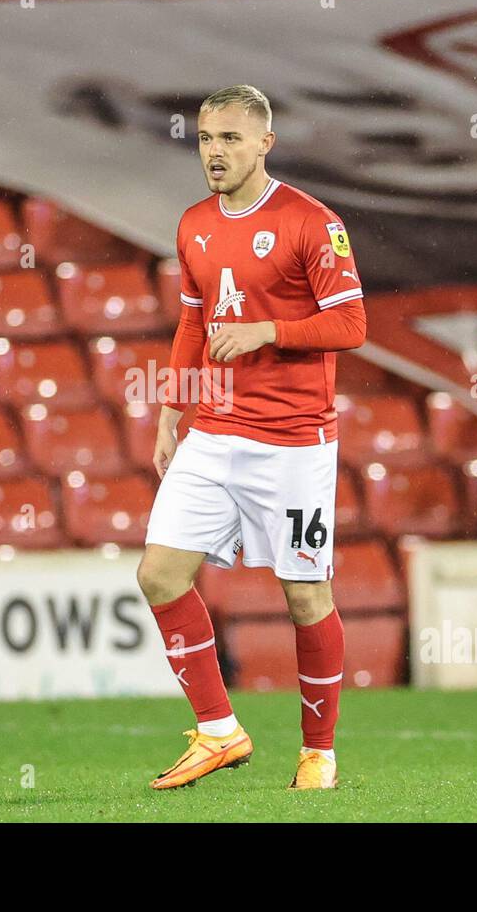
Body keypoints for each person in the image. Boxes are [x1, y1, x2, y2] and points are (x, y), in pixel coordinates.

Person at [138, 86, 366, 791]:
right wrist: (174, 408)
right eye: (207, 138)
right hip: (216, 430)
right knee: (158, 574)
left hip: (294, 443)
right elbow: (191, 322)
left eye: (231, 139)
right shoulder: (194, 225)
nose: (215, 151)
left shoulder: (310, 222)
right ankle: (218, 731)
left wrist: (270, 331)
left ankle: (318, 754)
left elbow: (352, 324)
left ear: (265, 143)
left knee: (304, 595)